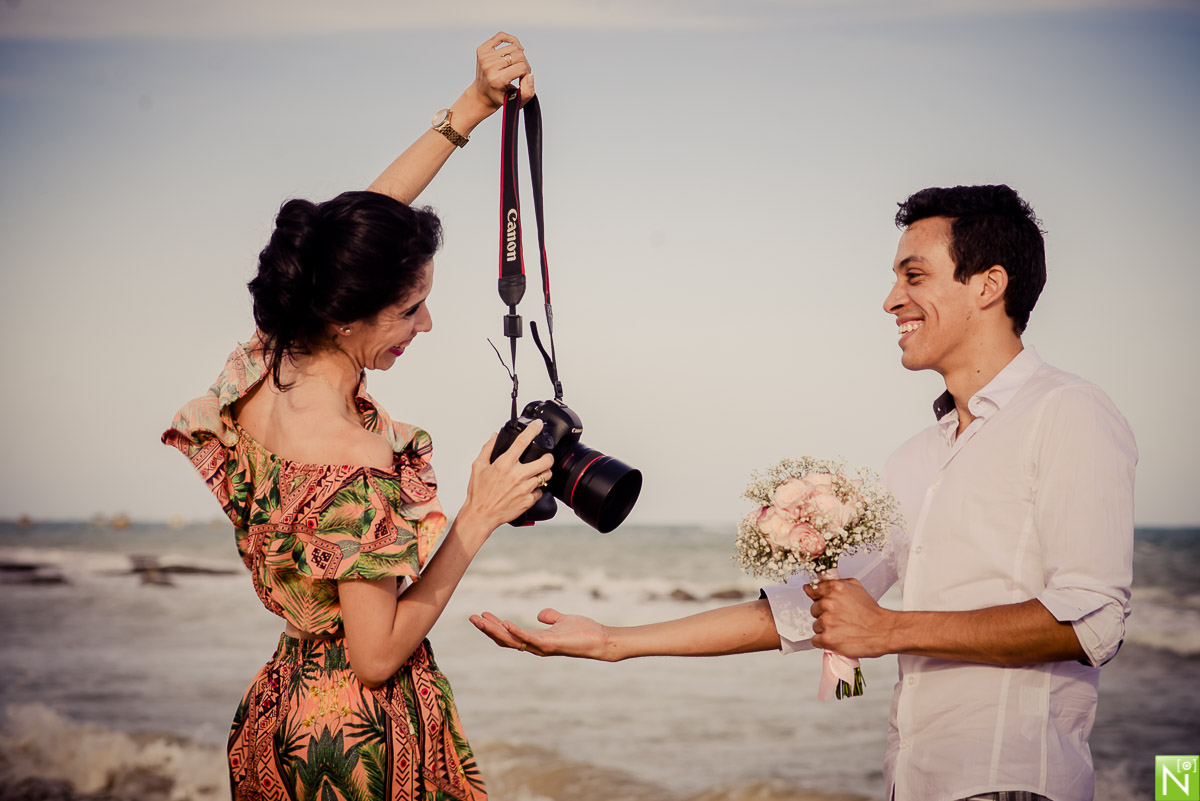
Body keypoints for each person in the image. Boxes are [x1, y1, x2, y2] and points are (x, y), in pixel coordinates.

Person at [471, 184, 1137, 801]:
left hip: (1014, 783)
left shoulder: (1068, 412)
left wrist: (887, 629)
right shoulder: (917, 457)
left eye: (914, 275)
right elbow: (807, 611)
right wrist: (616, 641)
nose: (890, 300)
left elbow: (1091, 619)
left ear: (989, 284)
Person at [162, 33, 553, 801]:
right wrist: (477, 517)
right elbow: (376, 654)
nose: (427, 325)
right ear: (346, 318)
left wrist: (471, 107)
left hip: (283, 715)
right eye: (410, 310)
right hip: (359, 742)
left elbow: (360, 226)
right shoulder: (351, 459)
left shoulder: (266, 363)